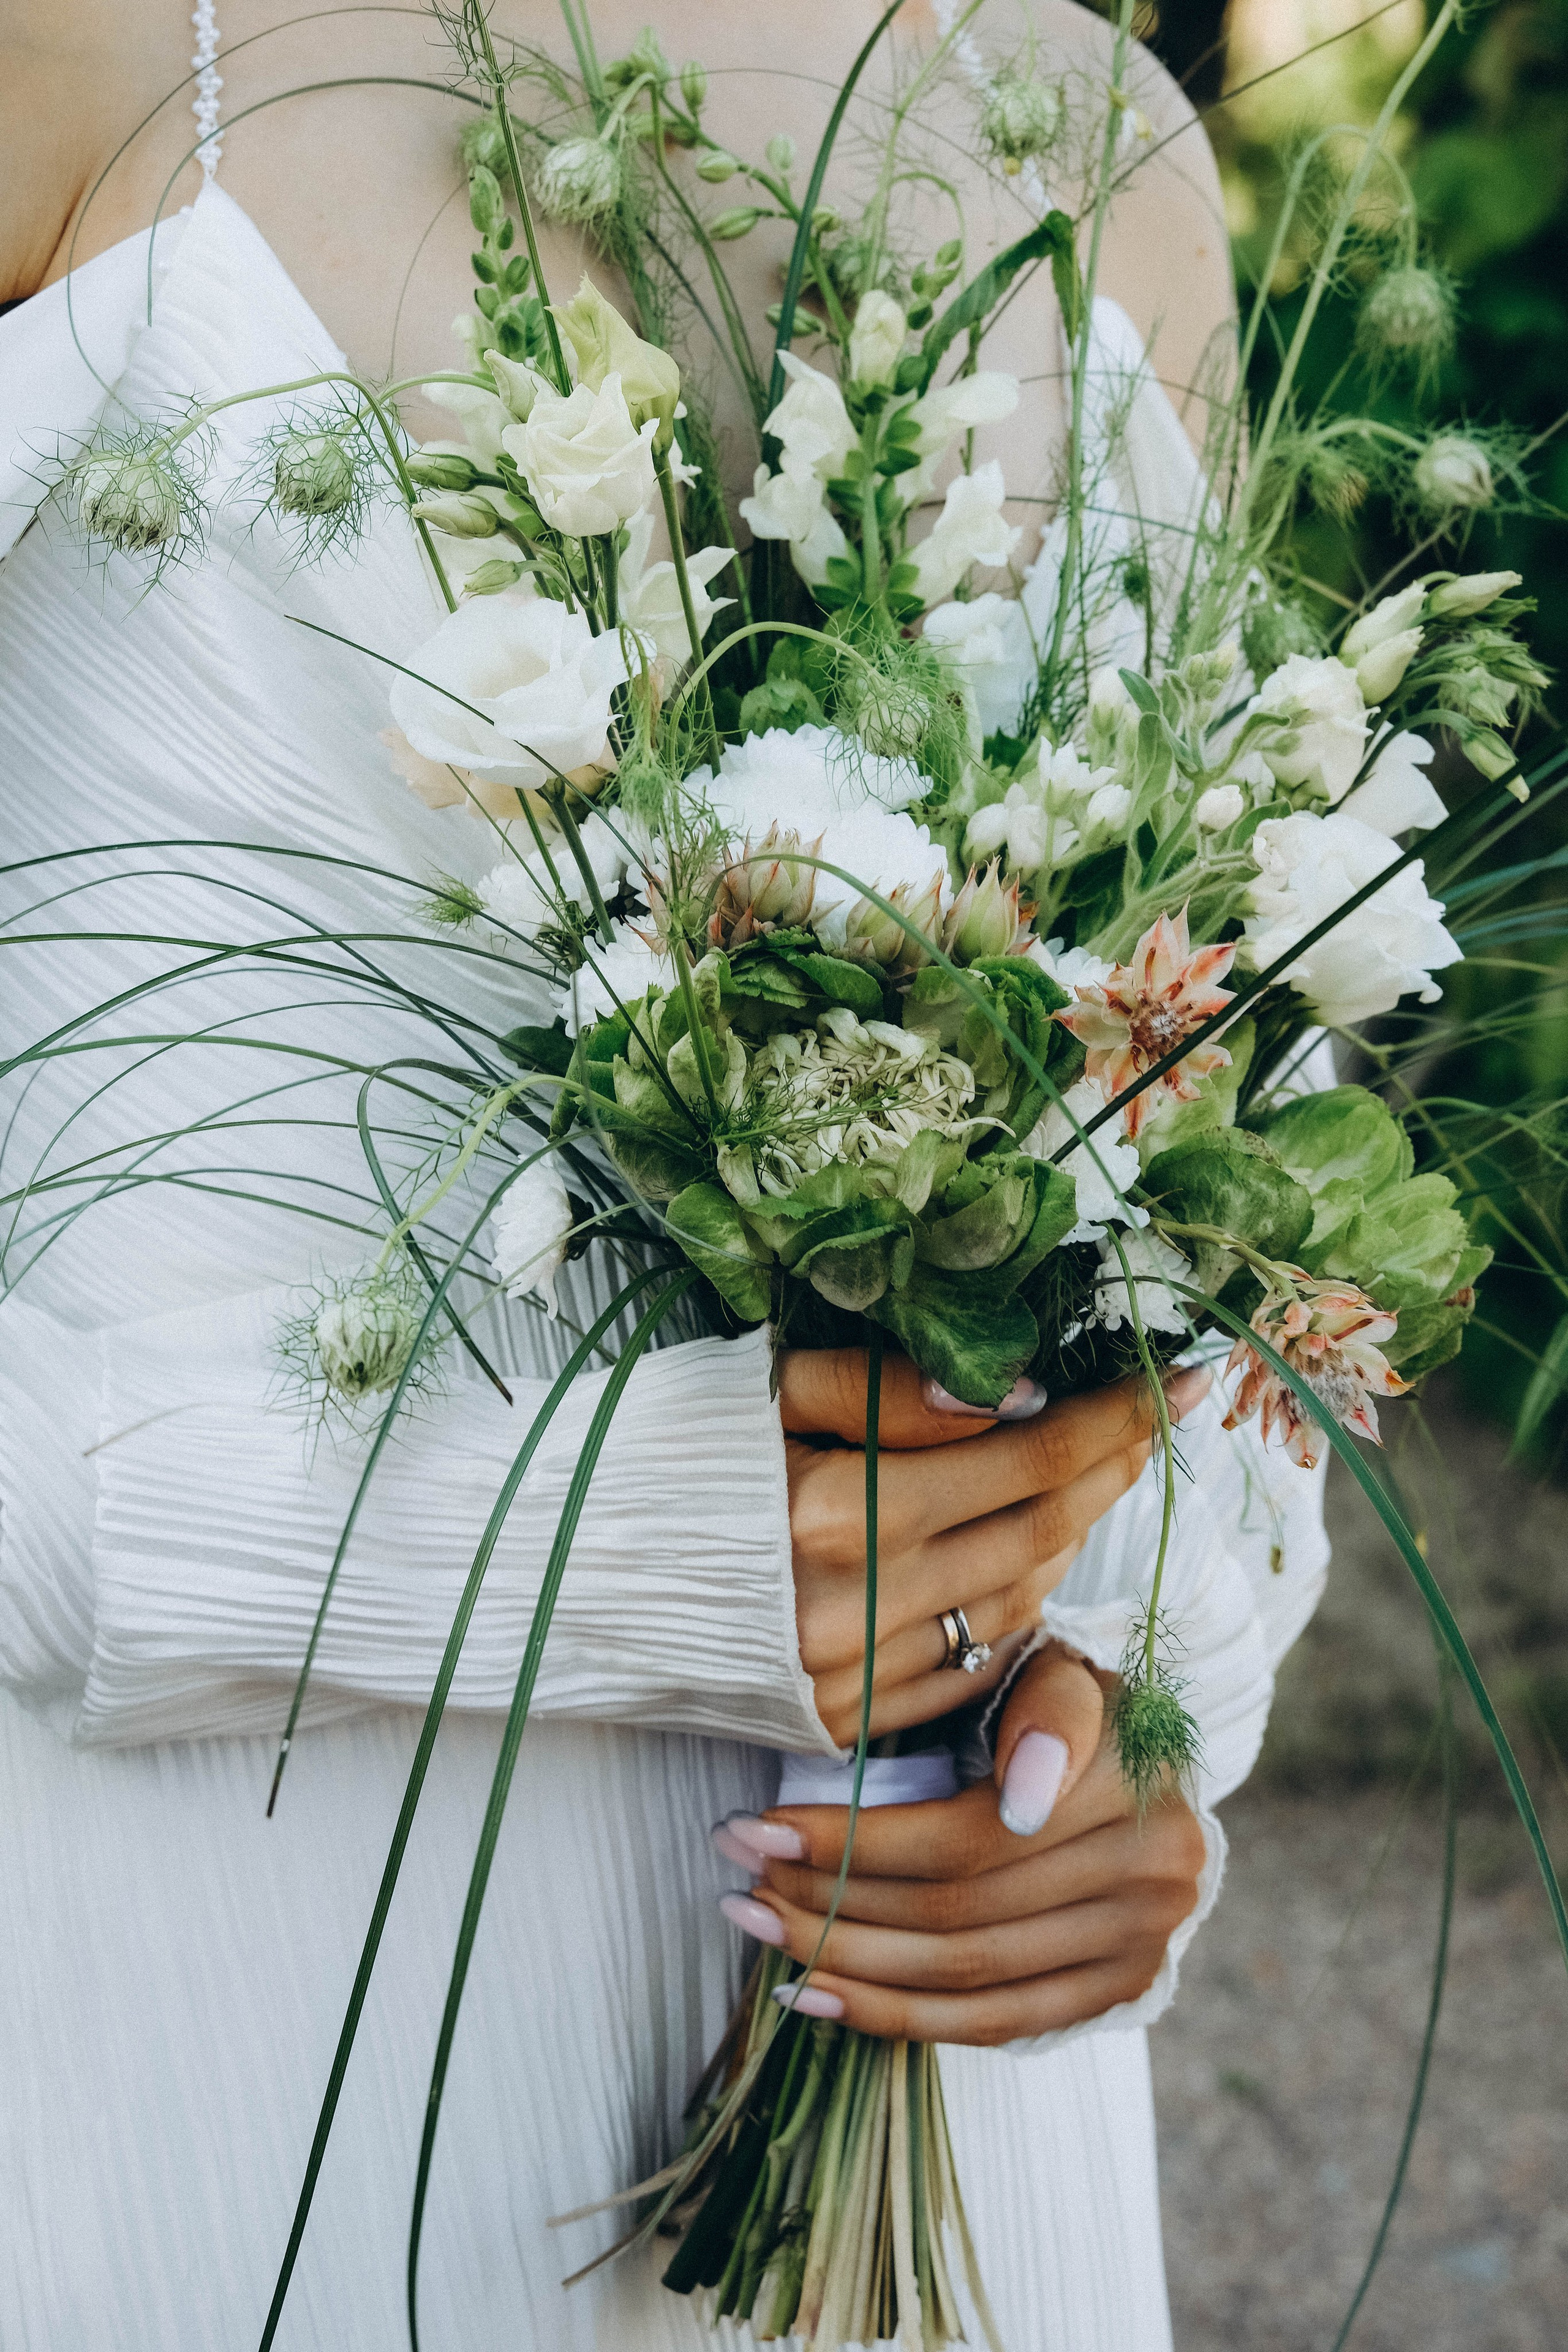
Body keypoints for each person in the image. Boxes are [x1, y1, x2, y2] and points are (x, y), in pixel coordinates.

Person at [0, 4, 1329, 2345]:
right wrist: (538, 1546)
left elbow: (1204, 1159)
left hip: (937, 2103)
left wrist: (1137, 1711)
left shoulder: (1107, 135)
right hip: (227, 2037)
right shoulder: (83, 52)